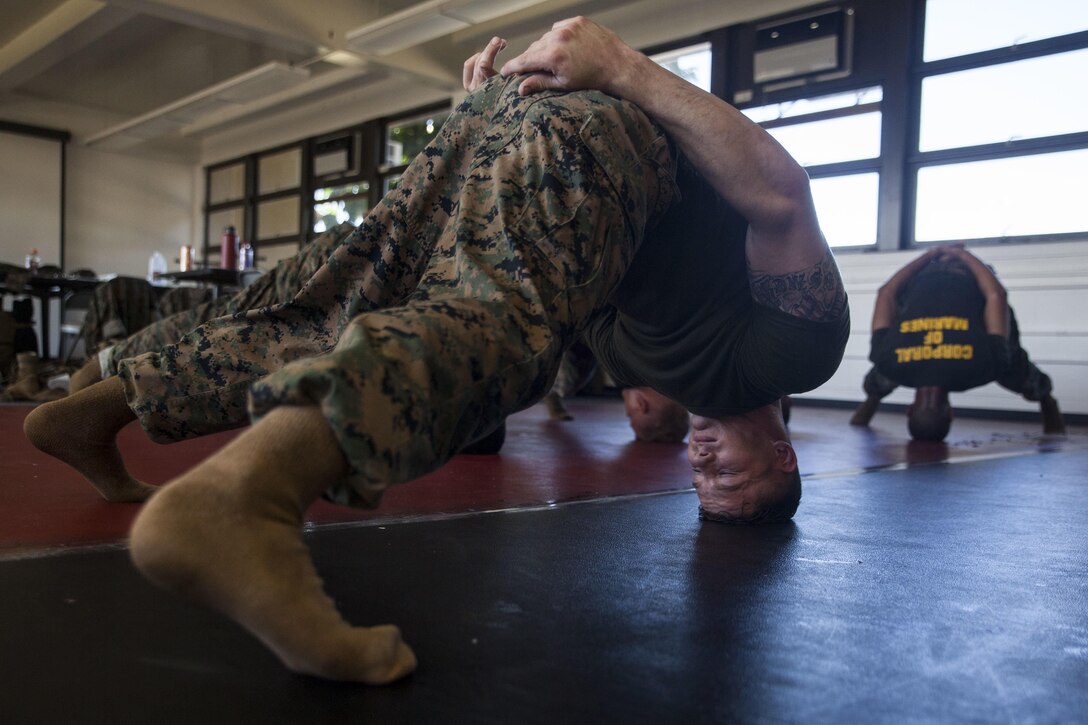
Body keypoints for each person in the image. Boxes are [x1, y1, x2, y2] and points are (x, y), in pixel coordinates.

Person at [24, 18, 847, 683]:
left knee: (327, 301)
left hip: (522, 127)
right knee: (506, 327)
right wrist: (625, 66)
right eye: (733, 475)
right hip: (605, 134)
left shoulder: (651, 373)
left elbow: (586, 290)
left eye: (705, 486)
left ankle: (94, 402)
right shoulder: (796, 353)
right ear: (785, 449)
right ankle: (246, 499)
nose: (706, 465)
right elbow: (781, 194)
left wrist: (487, 125)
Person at [850, 245, 1065, 440]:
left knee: (1005, 360)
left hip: (963, 277)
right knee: (1008, 362)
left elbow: (996, 295)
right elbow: (886, 292)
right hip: (935, 274)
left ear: (951, 413)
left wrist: (963, 256)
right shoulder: (889, 363)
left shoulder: (984, 368)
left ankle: (869, 404)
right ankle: (1047, 400)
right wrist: (934, 255)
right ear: (909, 409)